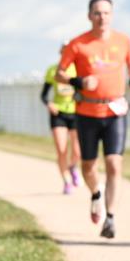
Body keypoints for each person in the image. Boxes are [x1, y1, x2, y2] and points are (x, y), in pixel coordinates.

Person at [56, 0, 130, 239]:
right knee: (88, 166)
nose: (102, 17)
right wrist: (79, 81)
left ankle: (111, 218)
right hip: (87, 112)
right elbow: (59, 74)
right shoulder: (78, 44)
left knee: (115, 163)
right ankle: (96, 193)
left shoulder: (123, 40)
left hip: (114, 111)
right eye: (97, 13)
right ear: (89, 16)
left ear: (111, 15)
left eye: (106, 13)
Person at [42, 45, 82, 194]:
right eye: (63, 51)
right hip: (58, 114)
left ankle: (72, 166)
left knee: (77, 150)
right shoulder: (53, 70)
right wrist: (49, 103)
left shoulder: (78, 69)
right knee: (61, 149)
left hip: (76, 113)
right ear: (60, 53)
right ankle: (66, 182)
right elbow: (44, 95)